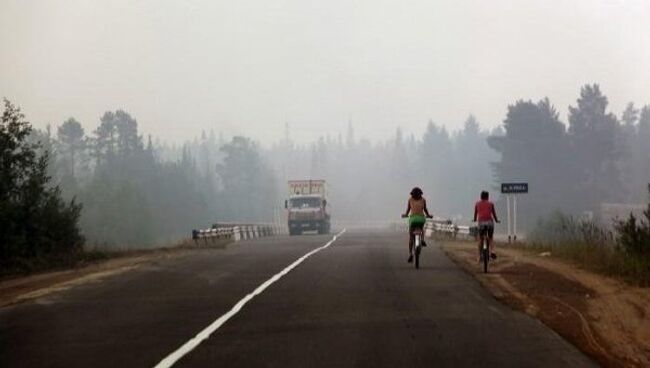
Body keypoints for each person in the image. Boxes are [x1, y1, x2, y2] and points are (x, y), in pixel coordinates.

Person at [402, 187, 433, 263]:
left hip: (413, 219)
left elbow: (408, 209)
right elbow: (425, 209)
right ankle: (422, 239)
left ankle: (410, 254)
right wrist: (428, 215)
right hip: (421, 219)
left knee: (411, 237)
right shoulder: (423, 200)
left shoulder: (410, 200)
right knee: (421, 229)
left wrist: (405, 215)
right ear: (420, 194)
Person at [473, 191, 499, 262]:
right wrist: (496, 220)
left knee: (480, 239)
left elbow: (475, 215)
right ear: (487, 197)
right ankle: (493, 251)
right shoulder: (491, 204)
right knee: (490, 238)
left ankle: (479, 256)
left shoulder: (477, 204)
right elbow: (494, 214)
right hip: (489, 223)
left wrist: (475, 219)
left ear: (480, 197)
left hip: (481, 223)